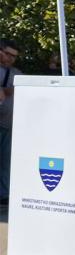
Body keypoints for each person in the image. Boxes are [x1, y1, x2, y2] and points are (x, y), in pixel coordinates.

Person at [0, 39, 21, 206]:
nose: (10, 59)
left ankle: (4, 196)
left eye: (14, 56)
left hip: (9, 125)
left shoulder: (17, 74)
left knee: (6, 163)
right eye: (8, 54)